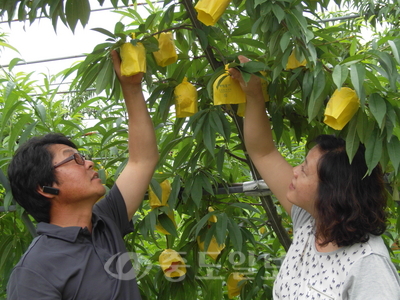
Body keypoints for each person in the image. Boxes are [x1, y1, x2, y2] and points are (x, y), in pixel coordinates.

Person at [230, 55, 400, 299]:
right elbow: (263, 152)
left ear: (333, 192)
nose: (295, 171)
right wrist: (254, 94)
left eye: (305, 169)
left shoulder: (368, 264)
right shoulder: (311, 223)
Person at [6, 50, 159, 299]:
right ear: (44, 187)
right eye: (73, 159)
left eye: (83, 156)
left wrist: (131, 88)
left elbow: (143, 160)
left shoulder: (106, 222)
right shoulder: (34, 272)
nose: (88, 163)